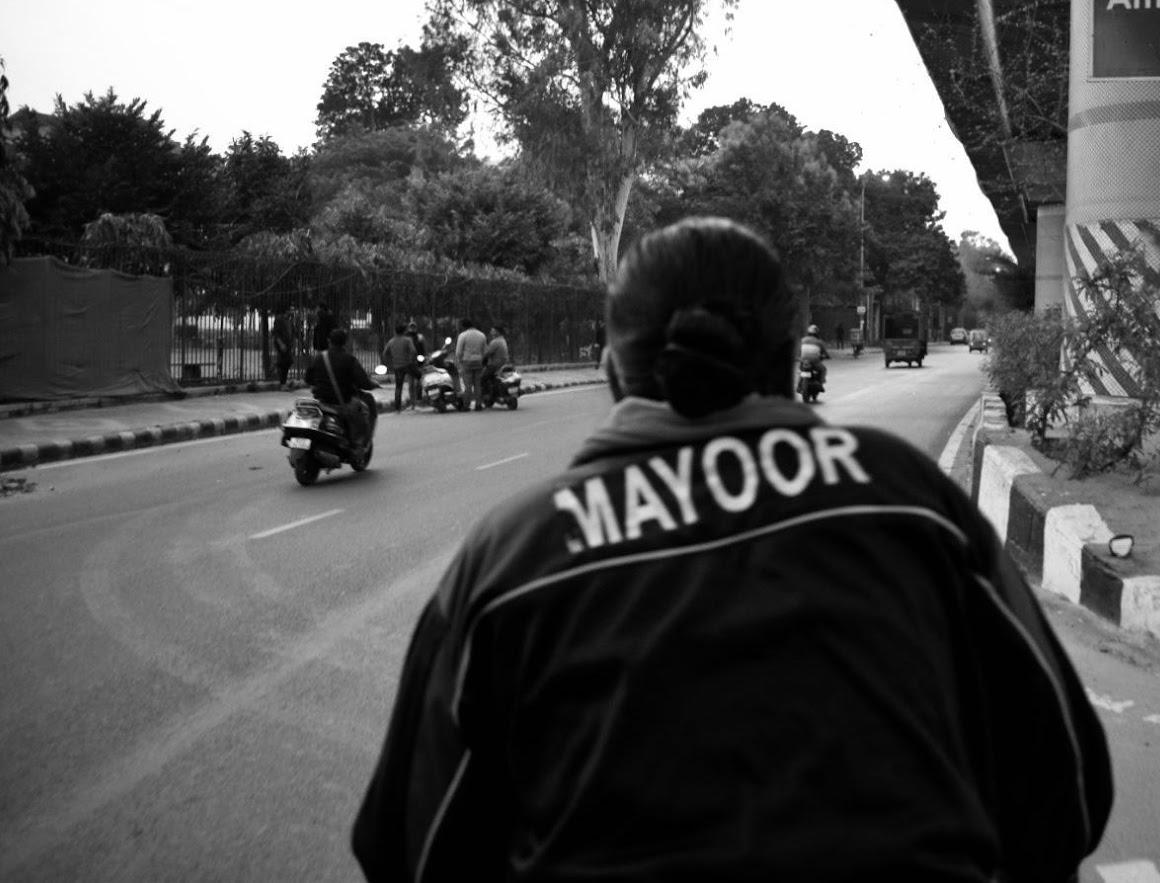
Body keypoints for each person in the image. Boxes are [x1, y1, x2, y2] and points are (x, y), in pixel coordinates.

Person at [352, 217, 1113, 882]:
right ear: (788, 363)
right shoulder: (910, 501)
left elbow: (409, 850)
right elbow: (1068, 781)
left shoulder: (514, 557)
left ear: (612, 371)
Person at [305, 328, 378, 447]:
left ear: (329, 341)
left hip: (322, 400)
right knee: (367, 403)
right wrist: (372, 384)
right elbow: (363, 382)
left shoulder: (318, 358)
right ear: (345, 342)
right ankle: (361, 441)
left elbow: (308, 379)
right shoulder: (349, 360)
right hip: (343, 402)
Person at [381, 324, 418, 412]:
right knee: (413, 383)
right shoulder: (407, 340)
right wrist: (411, 360)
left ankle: (397, 408)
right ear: (404, 331)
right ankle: (413, 404)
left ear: (395, 331)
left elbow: (385, 353)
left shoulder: (391, 341)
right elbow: (413, 351)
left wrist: (390, 363)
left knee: (398, 386)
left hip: (397, 366)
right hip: (407, 365)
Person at [454, 318, 488, 411]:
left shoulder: (463, 335)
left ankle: (466, 405)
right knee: (478, 384)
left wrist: (459, 361)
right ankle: (478, 404)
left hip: (467, 362)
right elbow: (485, 351)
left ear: (463, 326)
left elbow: (458, 351)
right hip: (479, 362)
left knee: (468, 385)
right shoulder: (481, 335)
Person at [481, 325, 511, 403]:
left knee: (482, 378)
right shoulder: (502, 340)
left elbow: (487, 353)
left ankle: (486, 395)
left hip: (495, 365)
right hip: (503, 363)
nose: (491, 332)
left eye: (493, 331)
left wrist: (481, 358)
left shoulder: (495, 342)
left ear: (497, 332)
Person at [271, 307, 295, 389]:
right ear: (287, 310)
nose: (293, 311)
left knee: (287, 362)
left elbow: (292, 332)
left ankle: (276, 365)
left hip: (288, 344)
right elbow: (276, 333)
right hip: (281, 343)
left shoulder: (289, 320)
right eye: (291, 309)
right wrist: (281, 344)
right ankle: (283, 384)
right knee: (286, 362)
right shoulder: (279, 319)